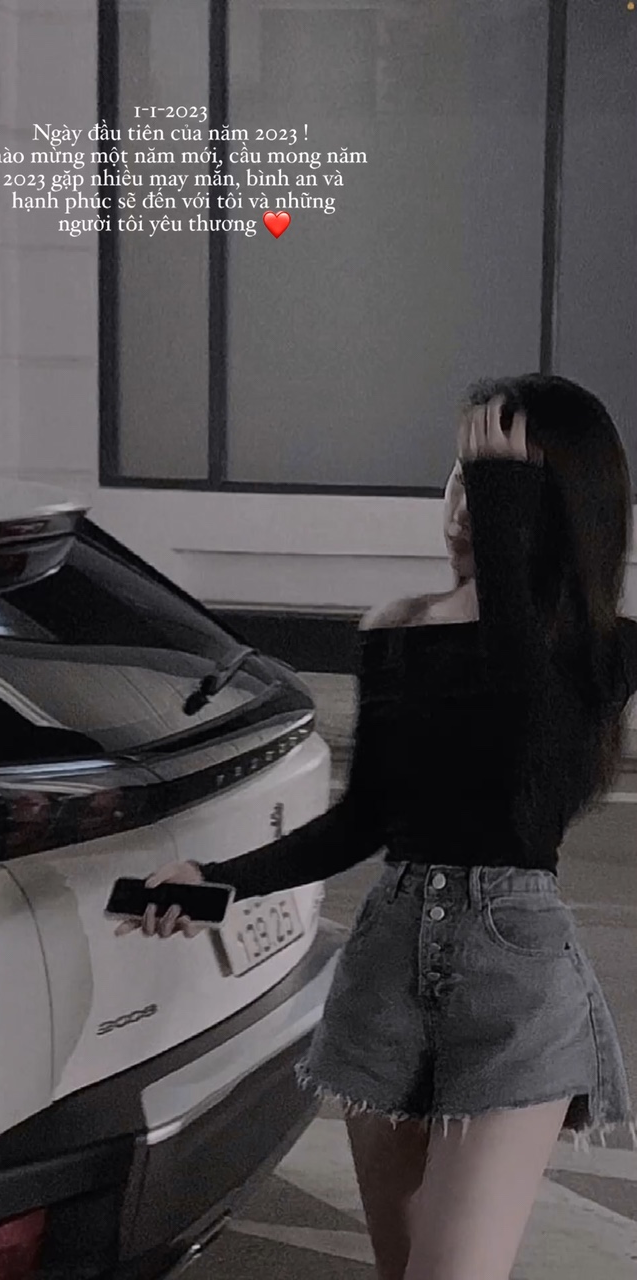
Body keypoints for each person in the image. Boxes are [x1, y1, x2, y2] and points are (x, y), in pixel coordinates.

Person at [117, 375, 637, 1280]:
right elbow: (361, 821)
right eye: (461, 478)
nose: (465, 508)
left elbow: (524, 744)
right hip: (386, 970)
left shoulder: (602, 649)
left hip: (514, 984)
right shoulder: (398, 627)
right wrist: (216, 882)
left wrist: (503, 519)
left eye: (500, 485)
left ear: (555, 507)